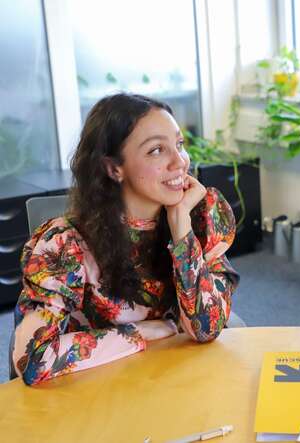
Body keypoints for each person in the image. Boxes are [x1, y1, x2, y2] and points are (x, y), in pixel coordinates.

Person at [13, 93, 240, 385]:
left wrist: (181, 227)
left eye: (179, 145)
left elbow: (205, 329)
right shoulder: (64, 244)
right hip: (94, 392)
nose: (180, 162)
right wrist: (145, 331)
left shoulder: (199, 217)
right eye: (157, 150)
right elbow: (34, 360)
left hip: (174, 381)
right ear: (113, 168)